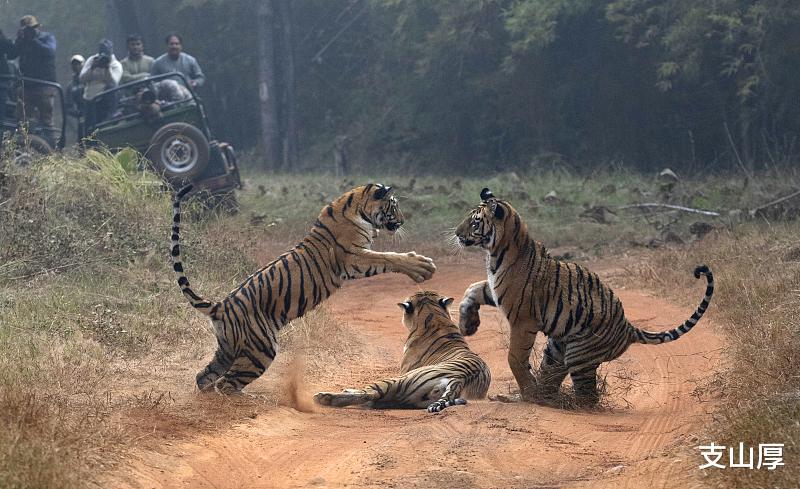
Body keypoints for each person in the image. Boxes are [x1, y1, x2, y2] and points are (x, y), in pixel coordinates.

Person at [8, 15, 57, 128]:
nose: (30, 31)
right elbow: (11, 55)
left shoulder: (47, 38)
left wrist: (33, 40)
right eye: (27, 29)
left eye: (33, 28)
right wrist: (19, 41)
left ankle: (50, 144)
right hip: (28, 87)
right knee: (22, 120)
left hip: (45, 86)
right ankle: (23, 143)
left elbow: (50, 52)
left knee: (47, 121)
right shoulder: (23, 41)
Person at [80, 39, 122, 128]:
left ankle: (111, 116)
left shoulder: (116, 65)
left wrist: (107, 68)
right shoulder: (92, 60)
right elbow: (82, 79)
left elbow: (114, 83)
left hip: (105, 99)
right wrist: (92, 68)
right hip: (90, 98)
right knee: (90, 128)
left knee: (103, 126)